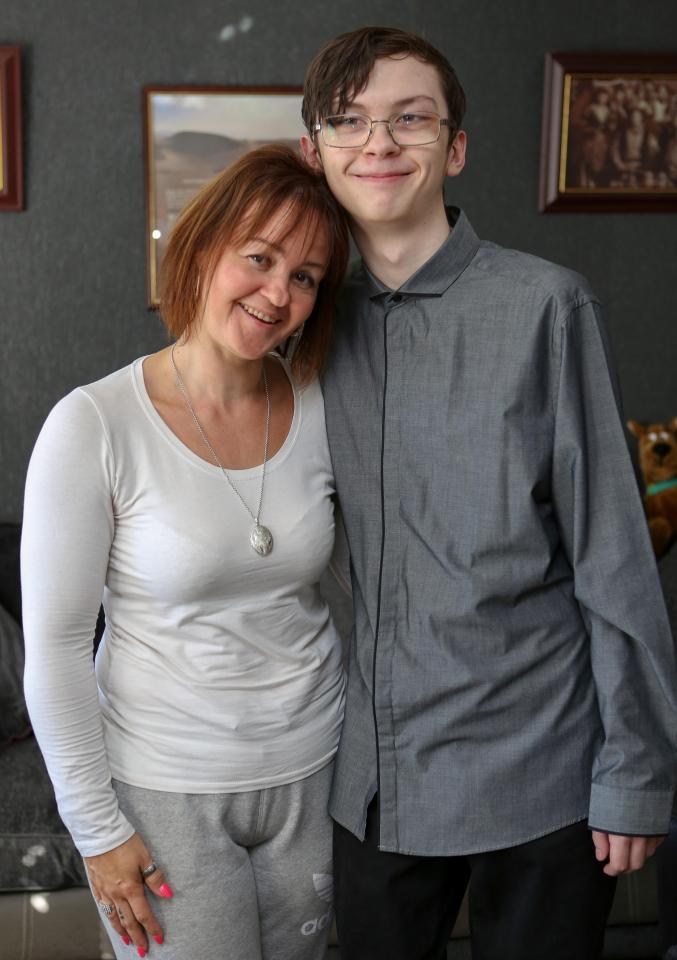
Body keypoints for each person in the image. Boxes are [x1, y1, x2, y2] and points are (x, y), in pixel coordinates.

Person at [299, 26, 677, 960]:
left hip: (538, 770)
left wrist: (635, 771)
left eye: (408, 119)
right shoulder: (300, 321)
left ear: (454, 147)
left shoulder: (547, 306)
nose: (377, 143)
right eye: (349, 121)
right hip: (373, 783)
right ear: (315, 152)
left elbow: (613, 553)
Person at [22, 144, 349, 960]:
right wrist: (96, 830)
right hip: (164, 786)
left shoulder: (325, 403)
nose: (278, 294)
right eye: (259, 258)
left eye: (305, 276)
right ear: (201, 250)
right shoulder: (93, 424)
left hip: (318, 770)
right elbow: (56, 649)